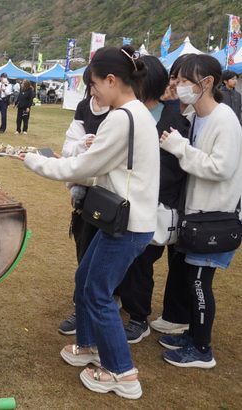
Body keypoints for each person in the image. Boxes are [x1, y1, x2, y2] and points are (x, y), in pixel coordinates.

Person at [18, 46, 158, 399]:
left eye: (94, 85)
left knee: (98, 292)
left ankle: (121, 372)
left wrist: (35, 161)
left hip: (127, 225)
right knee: (86, 279)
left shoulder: (121, 117)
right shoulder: (136, 113)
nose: (91, 92)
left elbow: (81, 168)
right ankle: (88, 344)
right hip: (126, 221)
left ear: (112, 80)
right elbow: (116, 167)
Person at [158, 54, 242, 369]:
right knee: (192, 279)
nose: (178, 86)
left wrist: (180, 147)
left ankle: (202, 350)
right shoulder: (195, 116)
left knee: (198, 282)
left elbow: (221, 168)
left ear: (206, 82)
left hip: (215, 219)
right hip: (198, 216)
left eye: (183, 80)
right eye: (175, 79)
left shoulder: (225, 120)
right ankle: (192, 333)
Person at [116, 55, 190, 343]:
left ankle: (138, 318)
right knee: (132, 261)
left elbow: (173, 169)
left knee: (141, 261)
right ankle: (130, 306)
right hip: (128, 201)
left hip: (157, 204)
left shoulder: (172, 118)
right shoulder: (128, 114)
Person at [58, 67, 110, 336]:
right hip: (85, 192)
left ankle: (98, 307)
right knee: (84, 248)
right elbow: (68, 148)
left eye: (96, 84)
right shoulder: (83, 108)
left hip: (111, 196)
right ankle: (82, 307)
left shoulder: (122, 111)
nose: (93, 91)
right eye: (90, 85)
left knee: (101, 258)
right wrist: (83, 145)